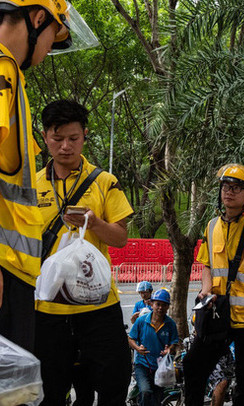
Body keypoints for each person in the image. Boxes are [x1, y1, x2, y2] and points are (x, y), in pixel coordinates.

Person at [0, 0, 96, 352]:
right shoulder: (3, 68)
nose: (48, 48)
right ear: (38, 19)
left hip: (15, 273)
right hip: (6, 272)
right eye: (52, 36)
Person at [35, 100, 133, 405]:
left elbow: (120, 238)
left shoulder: (105, 182)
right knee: (50, 390)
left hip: (98, 306)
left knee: (113, 383)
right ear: (44, 136)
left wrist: (94, 222)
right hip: (48, 309)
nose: (65, 146)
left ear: (85, 136)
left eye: (73, 139)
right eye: (57, 138)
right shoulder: (29, 186)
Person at [183, 163, 244, 406]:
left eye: (236, 188)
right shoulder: (212, 225)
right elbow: (206, 265)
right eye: (225, 187)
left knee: (243, 383)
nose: (229, 192)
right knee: (193, 365)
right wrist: (205, 289)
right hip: (216, 313)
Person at [128, 288, 179, 406]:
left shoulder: (170, 324)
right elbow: (130, 338)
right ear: (152, 304)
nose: (160, 308)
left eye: (164, 305)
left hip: (161, 367)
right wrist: (137, 348)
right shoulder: (141, 321)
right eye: (158, 304)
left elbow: (175, 342)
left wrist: (169, 349)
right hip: (142, 364)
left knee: (157, 399)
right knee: (145, 391)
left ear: (168, 307)